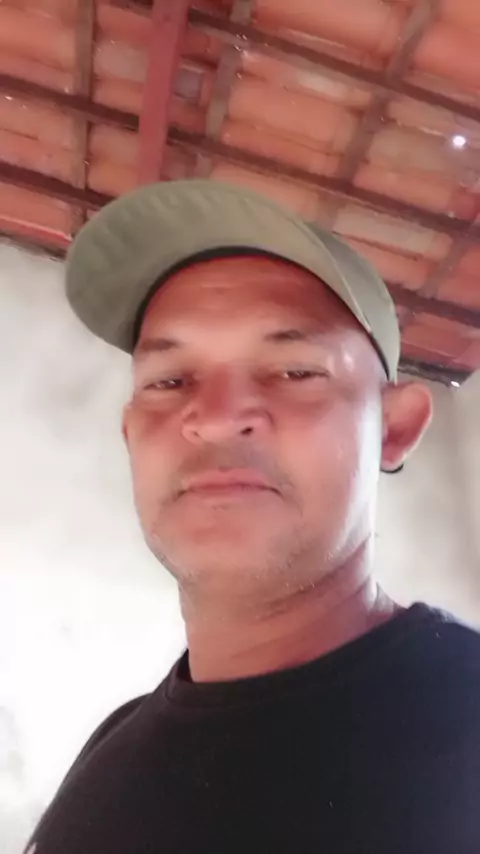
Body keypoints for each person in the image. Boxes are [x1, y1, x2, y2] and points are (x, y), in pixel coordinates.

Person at [26, 181, 480, 854]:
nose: (213, 418)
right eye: (169, 381)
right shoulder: (111, 743)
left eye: (294, 371)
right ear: (130, 436)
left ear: (393, 428)